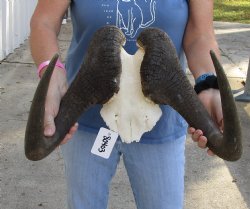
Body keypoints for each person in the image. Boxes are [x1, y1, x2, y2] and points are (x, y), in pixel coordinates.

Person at [30, 0, 223, 208]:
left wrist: (209, 85)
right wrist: (52, 74)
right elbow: (44, 22)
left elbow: (200, 34)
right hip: (85, 119)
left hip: (160, 125)